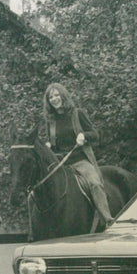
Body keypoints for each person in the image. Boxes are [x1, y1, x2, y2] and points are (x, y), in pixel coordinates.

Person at [42, 82, 114, 226]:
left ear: (63, 96)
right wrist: (48, 145)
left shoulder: (77, 113)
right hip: (60, 163)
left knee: (95, 183)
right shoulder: (51, 121)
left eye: (57, 95)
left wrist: (83, 135)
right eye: (51, 97)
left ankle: (108, 220)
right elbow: (51, 141)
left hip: (79, 161)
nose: (54, 99)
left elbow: (95, 134)